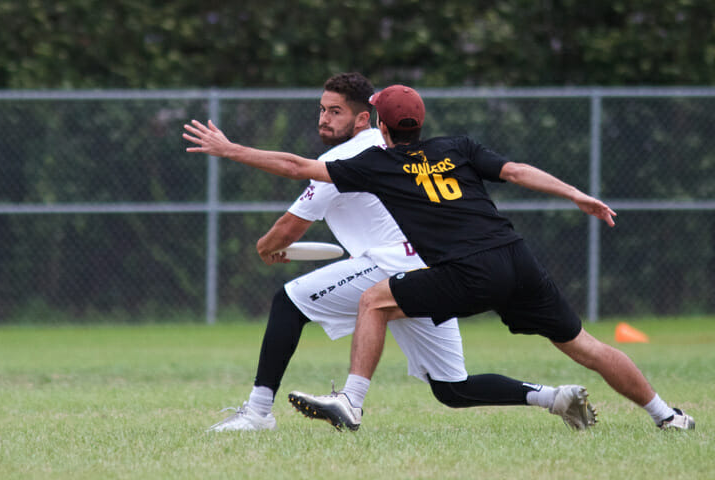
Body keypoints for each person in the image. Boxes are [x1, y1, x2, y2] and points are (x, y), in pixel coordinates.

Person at [183, 84, 694, 431]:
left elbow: (297, 167)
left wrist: (231, 150)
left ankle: (351, 403)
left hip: (465, 271)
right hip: (516, 258)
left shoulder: (377, 164)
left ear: (378, 124)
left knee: (375, 302)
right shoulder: (460, 146)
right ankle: (667, 416)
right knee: (579, 346)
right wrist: (577, 194)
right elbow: (516, 171)